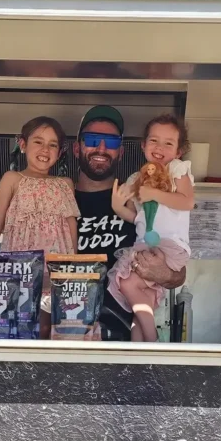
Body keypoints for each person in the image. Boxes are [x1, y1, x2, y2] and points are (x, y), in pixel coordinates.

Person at [73, 106, 187, 340]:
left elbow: (179, 273)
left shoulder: (140, 199)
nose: (102, 148)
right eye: (93, 140)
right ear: (77, 148)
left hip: (125, 342)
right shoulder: (60, 202)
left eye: (112, 142)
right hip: (69, 335)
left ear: (121, 152)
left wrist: (163, 273)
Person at [108, 115, 194, 341]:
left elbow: (187, 202)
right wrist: (118, 207)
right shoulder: (139, 178)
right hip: (147, 243)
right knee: (140, 300)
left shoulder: (177, 170)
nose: (160, 148)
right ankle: (140, 353)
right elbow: (138, 217)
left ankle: (153, 342)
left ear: (178, 152)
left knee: (126, 282)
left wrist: (155, 194)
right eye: (154, 141)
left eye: (169, 143)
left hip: (169, 245)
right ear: (144, 145)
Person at [0, 116, 79, 256]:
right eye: (38, 142)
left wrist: (73, 264)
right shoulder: (12, 179)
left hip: (57, 265)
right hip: (20, 264)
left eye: (52, 145)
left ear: (59, 153)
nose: (45, 149)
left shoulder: (65, 184)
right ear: (23, 145)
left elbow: (71, 226)